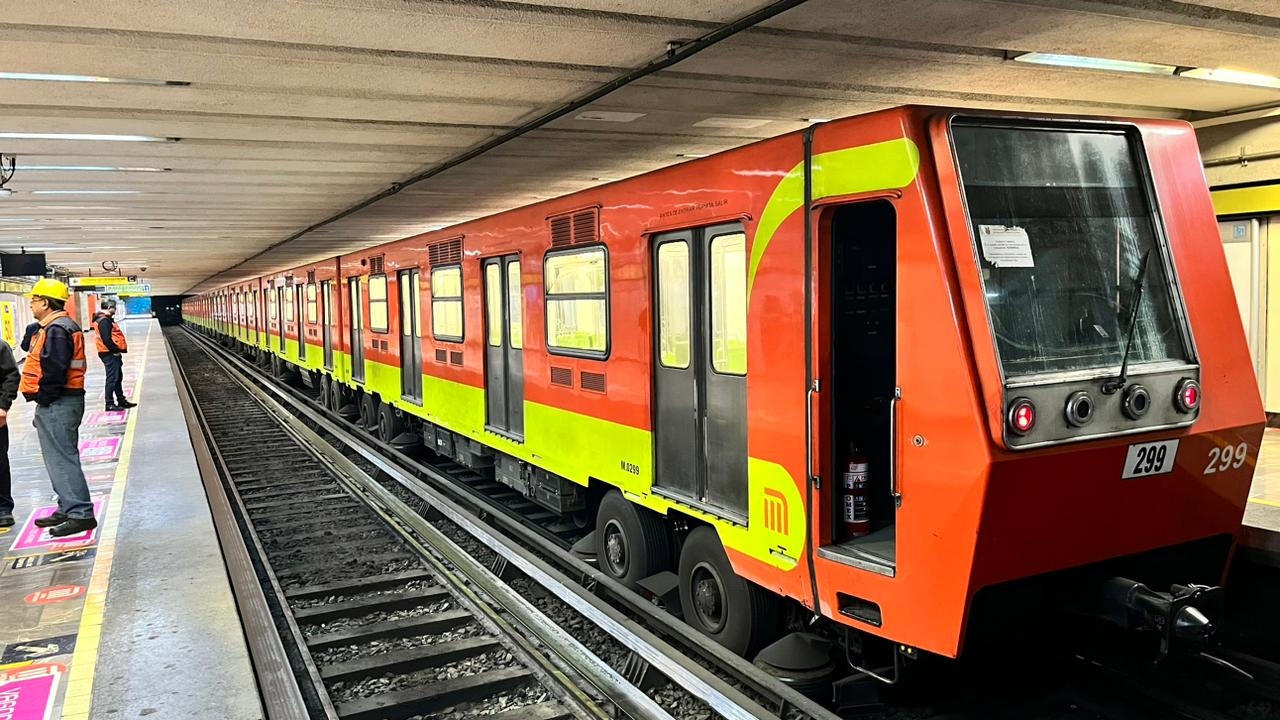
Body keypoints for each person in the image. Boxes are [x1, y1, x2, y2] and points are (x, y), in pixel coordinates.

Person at [21, 278, 96, 537]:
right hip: (62, 400)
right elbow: (28, 349)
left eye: (33, 300)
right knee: (57, 457)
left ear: (44, 301)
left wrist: (43, 398)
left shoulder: (57, 329)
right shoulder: (52, 327)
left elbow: (55, 369)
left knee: (62, 458)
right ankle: (67, 505)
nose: (31, 305)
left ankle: (80, 513)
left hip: (59, 401)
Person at [93, 299, 136, 411]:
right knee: (112, 378)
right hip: (109, 353)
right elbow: (106, 339)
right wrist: (115, 350)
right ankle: (109, 403)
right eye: (114, 308)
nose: (115, 310)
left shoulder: (104, 320)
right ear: (109, 308)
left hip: (109, 353)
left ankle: (121, 400)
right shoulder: (104, 321)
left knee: (117, 378)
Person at [0, 337, 19, 528]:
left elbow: (11, 375)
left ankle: (3, 508)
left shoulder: (0, 345)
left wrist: (3, 406)